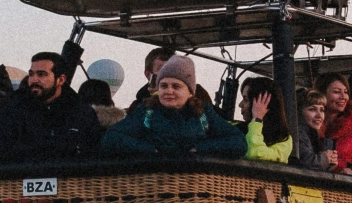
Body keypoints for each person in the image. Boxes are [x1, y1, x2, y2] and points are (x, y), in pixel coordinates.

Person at [102, 55, 249, 160]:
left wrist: (199, 149)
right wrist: (150, 151)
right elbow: (111, 138)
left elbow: (239, 142)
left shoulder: (204, 114)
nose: (169, 91)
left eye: (176, 86)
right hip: (153, 187)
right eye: (164, 86)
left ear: (190, 92)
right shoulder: (147, 112)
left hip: (194, 188)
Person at [0, 52, 102, 164]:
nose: (34, 80)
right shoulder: (13, 108)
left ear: (61, 80)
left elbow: (94, 154)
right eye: (31, 74)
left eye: (41, 74)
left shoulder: (81, 112)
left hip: (69, 179)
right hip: (23, 178)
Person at [241, 76, 292, 164]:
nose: (240, 104)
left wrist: (257, 119)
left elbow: (255, 154)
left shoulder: (283, 139)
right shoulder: (237, 128)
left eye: (245, 99)